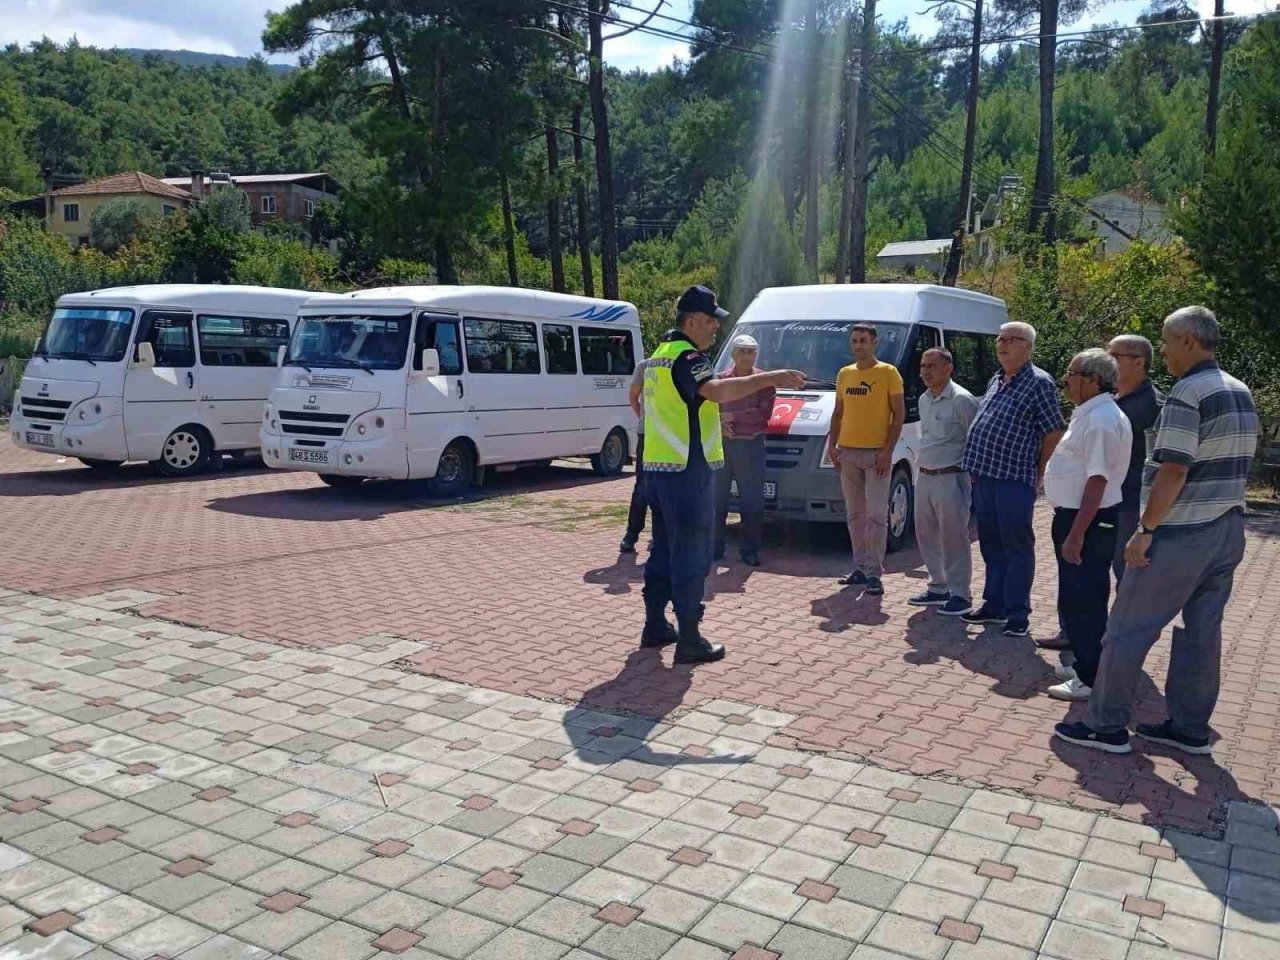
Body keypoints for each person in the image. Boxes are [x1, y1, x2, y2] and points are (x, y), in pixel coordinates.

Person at [1056, 306, 1258, 754]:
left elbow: (1174, 469)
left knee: (1127, 627)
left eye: (1166, 342)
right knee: (1202, 632)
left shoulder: (1188, 392)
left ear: (1188, 340)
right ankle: (1190, 728)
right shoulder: (1239, 389)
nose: (1163, 352)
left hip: (1181, 531)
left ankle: (1105, 725)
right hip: (1228, 528)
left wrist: (1146, 529)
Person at [640, 285, 804, 664]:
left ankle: (655, 624)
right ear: (692, 320)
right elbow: (714, 391)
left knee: (662, 549)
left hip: (658, 470)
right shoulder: (688, 357)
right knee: (691, 552)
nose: (716, 327)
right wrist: (769, 377)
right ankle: (690, 638)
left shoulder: (659, 355)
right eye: (712, 320)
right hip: (687, 470)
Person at [961, 321, 1065, 637]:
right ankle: (995, 604)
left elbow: (1053, 431)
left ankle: (1018, 613)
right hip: (985, 477)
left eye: (1010, 339)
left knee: (1016, 547)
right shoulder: (997, 378)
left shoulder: (1039, 383)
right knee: (991, 545)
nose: (1002, 344)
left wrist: (1039, 472)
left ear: (1028, 347)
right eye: (1000, 339)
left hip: (1014, 479)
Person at [1042, 349, 1132, 702]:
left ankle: (1090, 677)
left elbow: (1097, 481)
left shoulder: (1102, 420)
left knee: (1085, 599)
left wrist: (1076, 534)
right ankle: (1084, 663)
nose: (1065, 380)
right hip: (1077, 518)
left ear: (1094, 380)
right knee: (1077, 595)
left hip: (1088, 521)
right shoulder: (1092, 413)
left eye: (1072, 373)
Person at [828, 323, 906, 597]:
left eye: (863, 340)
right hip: (848, 452)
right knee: (854, 514)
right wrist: (832, 444)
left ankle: (874, 572)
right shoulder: (845, 374)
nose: (858, 345)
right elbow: (838, 412)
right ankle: (860, 567)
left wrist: (888, 449)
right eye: (854, 341)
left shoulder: (888, 373)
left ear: (875, 343)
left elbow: (899, 414)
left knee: (876, 515)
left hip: (876, 455)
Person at [909, 348, 980, 616]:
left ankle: (960, 594)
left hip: (951, 477)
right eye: (923, 366)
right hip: (925, 476)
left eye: (932, 366)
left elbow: (975, 441)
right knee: (926, 535)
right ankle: (938, 587)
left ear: (948, 368)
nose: (925, 372)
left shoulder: (962, 400)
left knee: (953, 538)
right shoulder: (925, 399)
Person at [714, 334, 775, 567]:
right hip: (723, 446)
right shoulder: (720, 380)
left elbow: (762, 415)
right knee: (716, 500)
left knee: (751, 502)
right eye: (742, 351)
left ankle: (749, 550)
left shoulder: (764, 381)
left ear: (756, 355)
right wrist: (720, 422)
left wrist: (730, 416)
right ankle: (714, 548)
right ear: (733, 354)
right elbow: (710, 411)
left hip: (750, 446)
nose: (746, 356)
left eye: (750, 352)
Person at [1107, 334, 1165, 581]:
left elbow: (1162, 465)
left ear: (1139, 362)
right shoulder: (1109, 399)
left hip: (1131, 505)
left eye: (1113, 356)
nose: (1106, 361)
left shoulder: (1155, 406)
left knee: (1129, 576)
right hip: (1104, 499)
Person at [620, 356, 659, 553]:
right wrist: (644, 420)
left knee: (666, 488)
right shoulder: (644, 366)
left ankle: (660, 537)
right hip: (648, 435)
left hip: (671, 437)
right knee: (642, 486)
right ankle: (631, 534)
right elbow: (633, 397)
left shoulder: (679, 364)